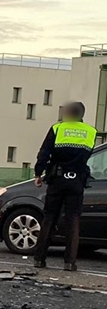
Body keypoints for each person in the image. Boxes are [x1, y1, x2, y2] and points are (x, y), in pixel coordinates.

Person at [33, 102, 96, 271]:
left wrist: (39, 173)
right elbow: (87, 154)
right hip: (77, 181)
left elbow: (44, 153)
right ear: (81, 115)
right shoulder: (91, 132)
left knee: (49, 217)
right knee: (73, 219)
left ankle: (39, 259)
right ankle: (70, 262)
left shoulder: (57, 129)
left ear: (68, 114)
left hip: (57, 179)